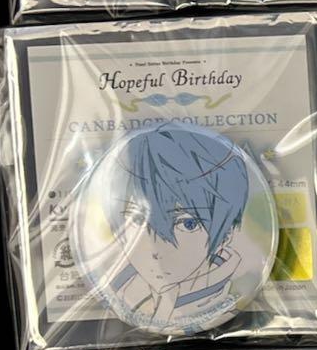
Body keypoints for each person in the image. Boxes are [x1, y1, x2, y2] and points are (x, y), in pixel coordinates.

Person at [101, 122, 247, 327]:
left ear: (226, 235)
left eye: (188, 224)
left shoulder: (224, 303)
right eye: (138, 219)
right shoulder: (119, 289)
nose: (157, 250)